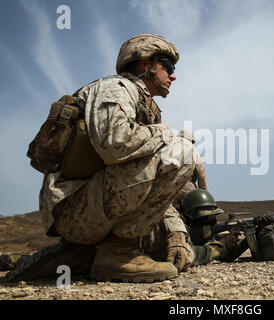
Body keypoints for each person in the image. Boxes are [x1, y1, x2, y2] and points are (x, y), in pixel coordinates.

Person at [7, 34, 202, 283]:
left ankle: (81, 254)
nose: (173, 75)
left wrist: (176, 232)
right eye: (168, 66)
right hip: (75, 210)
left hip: (93, 207)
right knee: (184, 152)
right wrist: (167, 133)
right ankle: (117, 254)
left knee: (169, 249)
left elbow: (153, 189)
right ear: (145, 64)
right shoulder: (116, 88)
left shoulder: (144, 104)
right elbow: (116, 144)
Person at [179, 189, 274, 266]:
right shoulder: (181, 232)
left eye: (213, 217)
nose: (212, 222)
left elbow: (227, 257)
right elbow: (190, 255)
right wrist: (221, 244)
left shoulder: (211, 235)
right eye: (206, 218)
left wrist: (256, 230)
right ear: (189, 218)